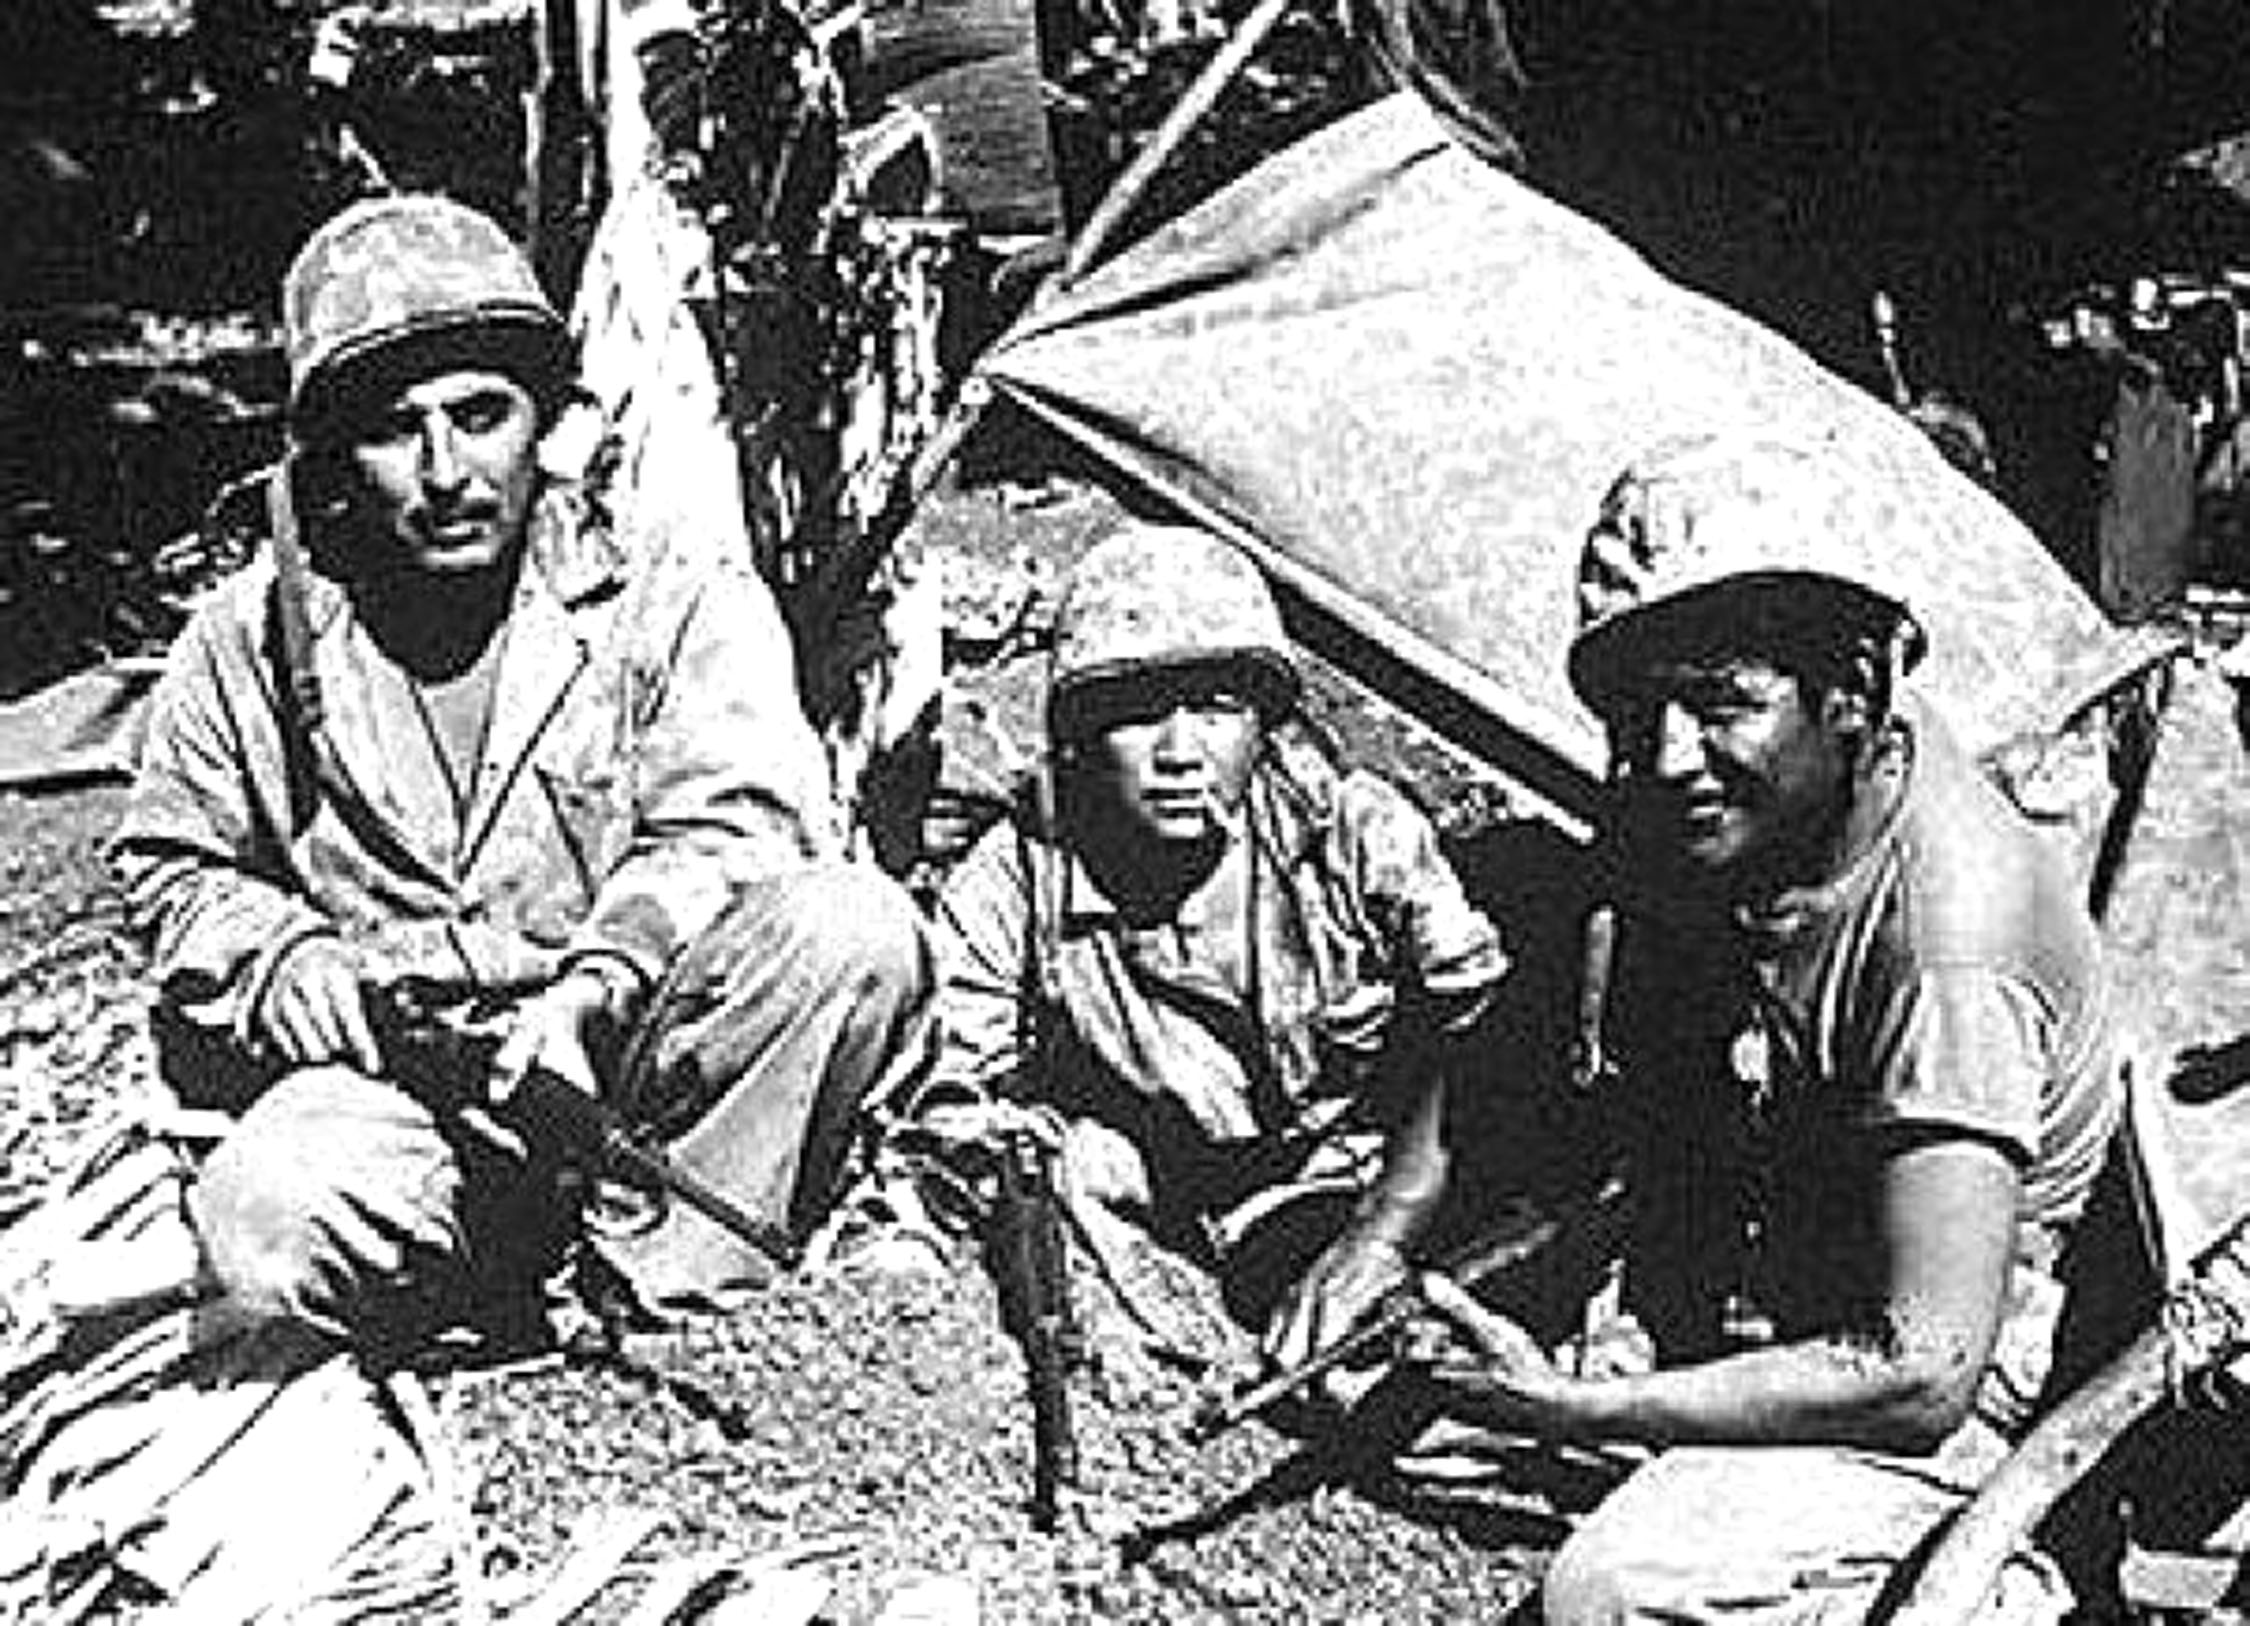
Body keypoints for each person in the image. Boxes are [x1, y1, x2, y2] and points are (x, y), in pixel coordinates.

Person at [111, 192, 931, 1341]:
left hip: (628, 1060)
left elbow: (742, 824)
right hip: (400, 1081)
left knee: (853, 930)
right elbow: (167, 863)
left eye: (482, 413)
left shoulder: (668, 590)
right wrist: (281, 958)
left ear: (541, 420)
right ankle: (471, 1299)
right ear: (338, 455)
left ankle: (668, 1292)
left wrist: (594, 989)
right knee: (267, 1218)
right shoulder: (252, 636)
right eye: (398, 429)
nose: (447, 469)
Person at [1403, 434, 2128, 1622]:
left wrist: (1592, 1409)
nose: (1670, 754)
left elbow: (1923, 1369)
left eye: (1724, 702)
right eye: (1642, 713)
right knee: (1411, 1396)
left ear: (1852, 693)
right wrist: (1391, 1228)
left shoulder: (1952, 942)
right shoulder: (1752, 796)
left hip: (1947, 1367)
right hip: (1773, 1247)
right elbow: (1568, 947)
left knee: (1606, 1592)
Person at [915, 519, 1512, 1374]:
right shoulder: (1021, 877)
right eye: (1137, 716)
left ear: (1265, 725)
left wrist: (1389, 1220)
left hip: (1405, 1173)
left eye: (1216, 710)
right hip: (1207, 1201)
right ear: (1081, 738)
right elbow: (951, 1091)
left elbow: (1486, 1029)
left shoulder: (1353, 835)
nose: (1180, 754)